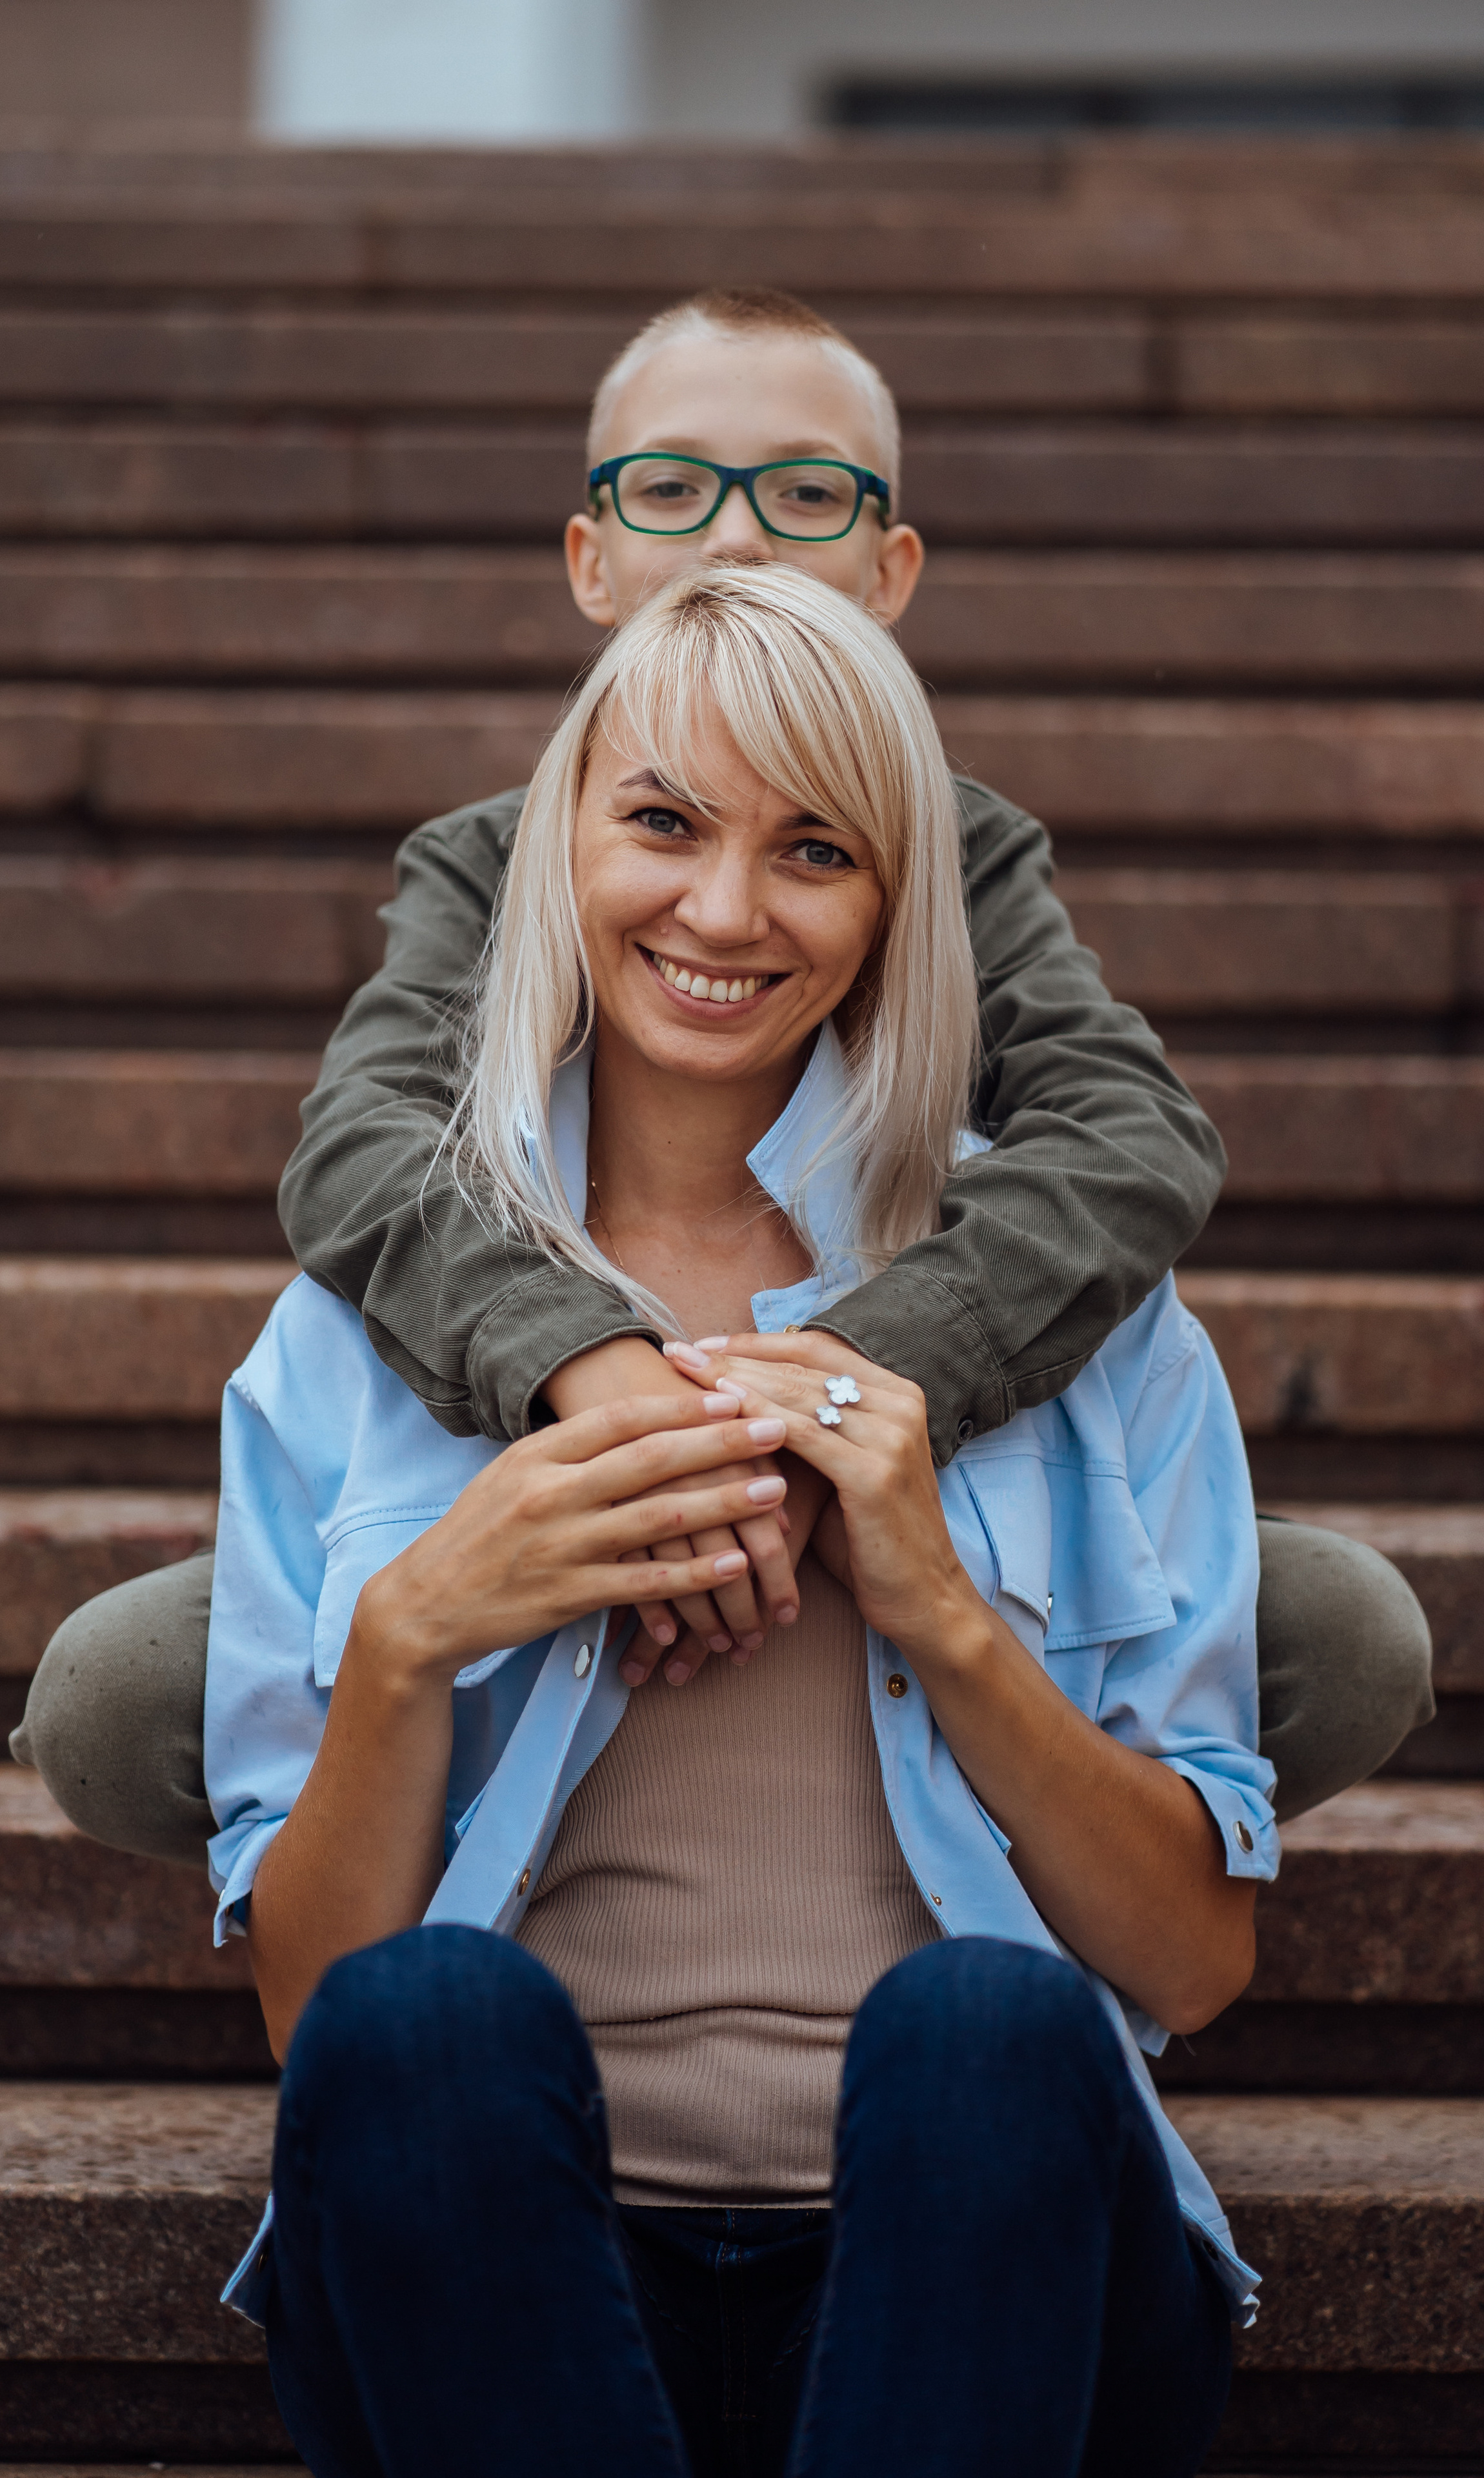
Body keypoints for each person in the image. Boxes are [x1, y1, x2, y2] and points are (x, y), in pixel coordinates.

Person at [12, 284, 1431, 1866]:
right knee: (125, 1688)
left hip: (907, 1425)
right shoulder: (495, 858)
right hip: (503, 1446)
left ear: (890, 572)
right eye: (672, 489)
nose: (737, 540)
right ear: (591, 560)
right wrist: (597, 1377)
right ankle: (521, 1857)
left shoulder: (954, 850)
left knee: (1339, 1631)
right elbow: (364, 1148)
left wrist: (844, 1391)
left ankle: (954, 1865)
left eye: (806, 492)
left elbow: (1125, 1136)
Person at [208, 562, 1276, 2477]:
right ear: (560, 845)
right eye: (664, 825)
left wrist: (937, 1606)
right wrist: (414, 1629)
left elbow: (1191, 1966)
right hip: (514, 2266)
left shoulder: (1086, 1323)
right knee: (415, 2021)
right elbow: (311, 2015)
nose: (722, 911)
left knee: (996, 2030)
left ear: (896, 906)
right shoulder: (356, 1331)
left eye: (814, 852)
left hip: (991, 2262)